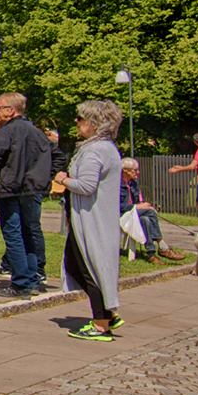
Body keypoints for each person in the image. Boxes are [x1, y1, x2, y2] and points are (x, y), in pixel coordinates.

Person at [63, 101, 126, 340]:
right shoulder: (103, 148)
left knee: (90, 268)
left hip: (92, 219)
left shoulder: (95, 150)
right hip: (90, 218)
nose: (77, 123)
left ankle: (101, 322)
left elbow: (86, 186)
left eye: (80, 119)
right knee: (75, 264)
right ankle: (106, 312)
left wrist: (63, 180)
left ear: (94, 123)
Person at [0, 92, 53, 298]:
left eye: (0, 107)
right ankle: (32, 277)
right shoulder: (36, 131)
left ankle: (21, 281)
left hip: (12, 188)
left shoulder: (7, 131)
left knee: (14, 234)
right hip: (32, 189)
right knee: (28, 232)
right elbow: (53, 154)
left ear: (10, 110)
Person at [119, 158, 186, 262]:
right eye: (135, 170)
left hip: (132, 214)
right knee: (150, 211)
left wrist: (142, 205)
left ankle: (150, 254)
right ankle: (162, 246)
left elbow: (138, 200)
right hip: (121, 214)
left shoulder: (133, 183)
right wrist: (136, 207)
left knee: (145, 219)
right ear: (125, 170)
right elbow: (118, 206)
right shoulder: (116, 185)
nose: (138, 172)